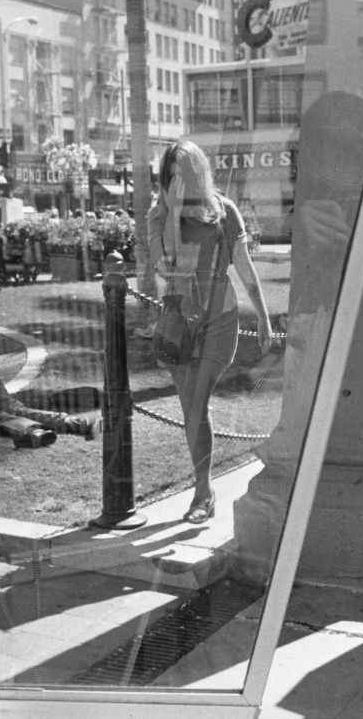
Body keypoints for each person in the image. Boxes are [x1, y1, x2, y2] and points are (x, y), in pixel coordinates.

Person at [147, 140, 272, 523]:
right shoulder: (158, 217)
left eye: (181, 176)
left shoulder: (223, 211)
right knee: (191, 408)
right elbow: (166, 266)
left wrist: (265, 318)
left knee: (197, 401)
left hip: (220, 319)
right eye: (169, 177)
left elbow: (244, 268)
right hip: (178, 325)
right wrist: (170, 212)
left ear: (196, 174)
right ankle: (205, 487)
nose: (176, 185)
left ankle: (202, 493)